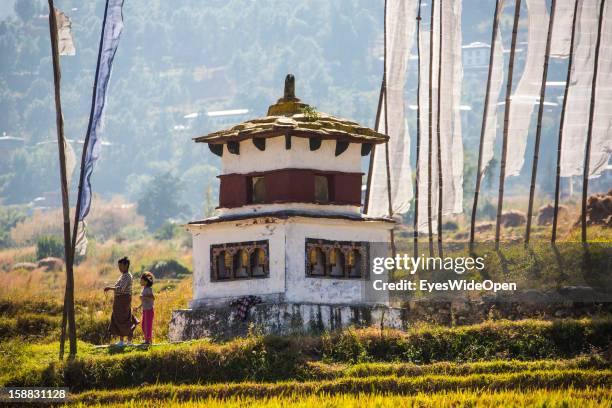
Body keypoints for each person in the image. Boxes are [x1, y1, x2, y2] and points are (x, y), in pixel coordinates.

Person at [104, 257, 138, 346]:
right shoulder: (123, 275)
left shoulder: (127, 276)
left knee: (125, 320)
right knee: (118, 319)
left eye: (121, 266)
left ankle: (129, 341)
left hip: (124, 300)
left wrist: (110, 288)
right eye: (118, 266)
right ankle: (121, 341)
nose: (119, 268)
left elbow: (121, 289)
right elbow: (118, 287)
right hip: (120, 301)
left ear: (126, 265)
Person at [136, 271, 155, 345]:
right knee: (144, 325)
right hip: (145, 310)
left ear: (146, 282)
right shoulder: (144, 289)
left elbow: (152, 298)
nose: (140, 281)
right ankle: (147, 339)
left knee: (148, 326)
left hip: (149, 310)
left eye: (141, 280)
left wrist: (143, 297)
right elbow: (143, 301)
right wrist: (138, 307)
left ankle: (148, 341)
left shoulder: (149, 289)